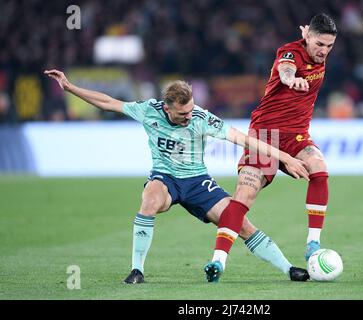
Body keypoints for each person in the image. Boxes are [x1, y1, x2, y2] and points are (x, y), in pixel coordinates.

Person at [44, 69, 310, 284]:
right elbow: (108, 103)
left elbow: (244, 140)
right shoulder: (149, 111)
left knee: (240, 222)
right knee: (149, 201)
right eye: (183, 113)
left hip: (198, 182)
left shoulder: (201, 117)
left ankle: (288, 269)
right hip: (165, 179)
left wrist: (285, 158)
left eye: (191, 110)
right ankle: (137, 270)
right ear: (167, 108)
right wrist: (70, 88)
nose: (189, 116)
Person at [205, 13, 337, 282]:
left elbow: (315, 44)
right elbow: (285, 70)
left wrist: (311, 37)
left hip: (296, 136)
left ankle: (312, 244)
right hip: (265, 136)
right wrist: (291, 80)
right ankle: (218, 262)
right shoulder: (290, 52)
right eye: (319, 44)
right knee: (244, 195)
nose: (324, 51)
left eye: (329, 46)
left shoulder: (316, 48)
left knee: (319, 168)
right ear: (307, 37)